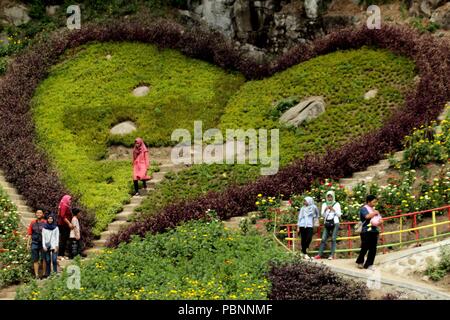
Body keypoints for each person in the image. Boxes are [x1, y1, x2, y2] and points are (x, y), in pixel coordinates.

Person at [356, 194, 383, 270]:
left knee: (373, 248)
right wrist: (375, 213)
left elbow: (380, 219)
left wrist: (380, 221)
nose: (375, 204)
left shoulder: (374, 210)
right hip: (366, 230)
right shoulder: (364, 209)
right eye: (374, 202)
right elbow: (367, 216)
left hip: (374, 230)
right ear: (369, 202)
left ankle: (369, 264)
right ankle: (360, 261)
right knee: (365, 247)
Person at [314, 190, 342, 260]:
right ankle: (319, 254)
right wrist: (325, 210)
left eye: (331, 197)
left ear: (333, 197)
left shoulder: (337, 204)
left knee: (333, 239)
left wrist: (333, 210)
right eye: (328, 197)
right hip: (327, 223)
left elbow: (339, 215)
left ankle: (331, 255)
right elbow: (322, 215)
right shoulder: (324, 204)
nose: (329, 198)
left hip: (335, 223)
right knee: (323, 239)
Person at [27, 210, 47, 279]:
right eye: (37, 213)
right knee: (35, 259)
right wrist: (28, 244)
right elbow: (30, 234)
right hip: (34, 243)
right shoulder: (32, 223)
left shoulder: (45, 222)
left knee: (44, 259)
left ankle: (44, 274)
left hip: (43, 243)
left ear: (43, 214)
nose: (38, 214)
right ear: (35, 214)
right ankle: (36, 275)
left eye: (40, 213)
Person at [57, 195, 73, 259]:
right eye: (69, 199)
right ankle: (60, 255)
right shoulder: (64, 205)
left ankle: (62, 254)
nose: (70, 201)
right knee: (63, 239)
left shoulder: (65, 205)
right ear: (66, 199)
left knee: (65, 239)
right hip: (63, 225)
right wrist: (69, 223)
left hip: (65, 225)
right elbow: (62, 216)